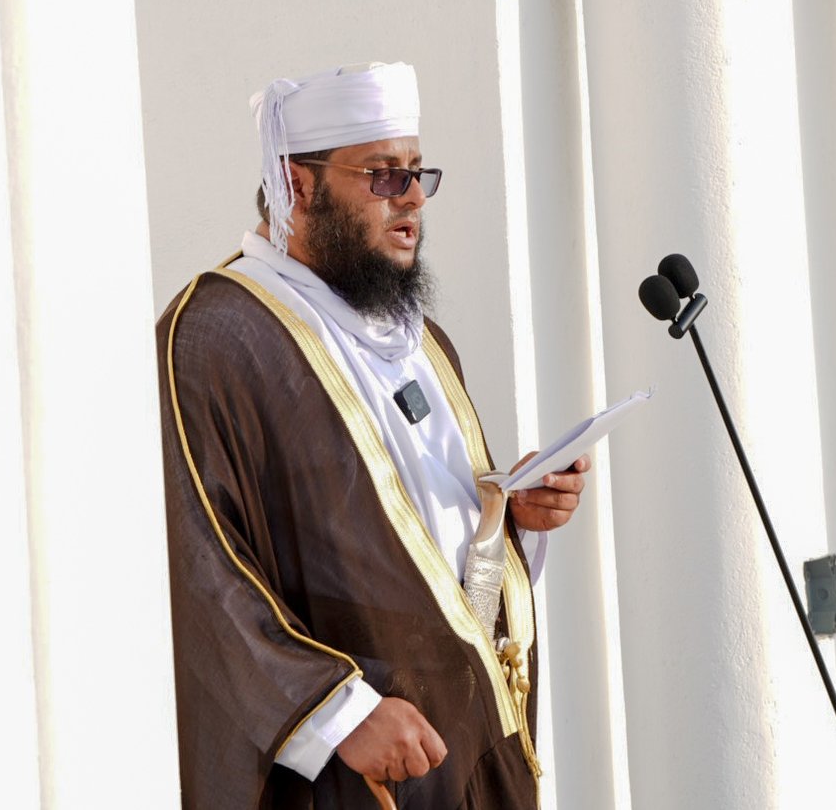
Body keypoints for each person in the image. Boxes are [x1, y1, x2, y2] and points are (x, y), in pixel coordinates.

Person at [157, 61, 590, 809]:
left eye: (417, 174)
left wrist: (511, 514)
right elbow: (197, 565)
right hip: (349, 775)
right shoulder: (217, 334)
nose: (412, 197)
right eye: (384, 175)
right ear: (298, 185)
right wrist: (337, 712)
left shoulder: (420, 340)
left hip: (466, 752)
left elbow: (422, 558)